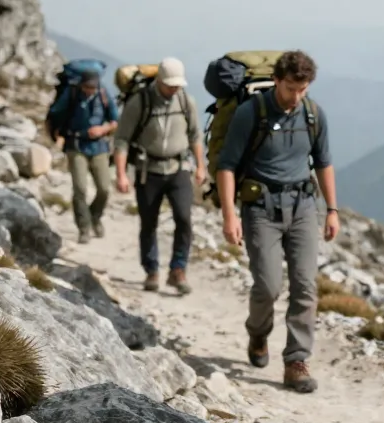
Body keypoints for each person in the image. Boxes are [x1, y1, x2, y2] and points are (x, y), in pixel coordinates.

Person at [215, 50, 338, 394]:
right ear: (277, 80)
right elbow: (226, 166)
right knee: (267, 285)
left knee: (305, 286)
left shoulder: (313, 115)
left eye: (303, 89)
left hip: (303, 208)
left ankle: (296, 361)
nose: (296, 96)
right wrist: (229, 215)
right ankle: (258, 333)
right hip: (261, 209)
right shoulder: (249, 113)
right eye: (290, 88)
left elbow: (324, 162)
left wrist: (332, 210)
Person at [113, 56, 206, 295]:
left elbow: (196, 135)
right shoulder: (139, 102)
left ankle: (178, 270)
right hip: (148, 172)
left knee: (184, 219)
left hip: (178, 170)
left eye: (177, 85)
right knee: (149, 222)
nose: (174, 89)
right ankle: (151, 270)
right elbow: (122, 139)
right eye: (170, 85)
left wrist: (200, 166)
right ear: (160, 81)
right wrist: (121, 174)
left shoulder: (186, 101)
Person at [48, 66, 118, 243]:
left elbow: (114, 121)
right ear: (81, 85)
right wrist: (56, 132)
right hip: (76, 145)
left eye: (92, 87)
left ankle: (95, 216)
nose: (90, 91)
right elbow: (56, 112)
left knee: (104, 188)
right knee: (80, 188)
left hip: (99, 147)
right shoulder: (71, 95)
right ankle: (84, 227)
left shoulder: (103, 94)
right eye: (87, 87)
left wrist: (102, 129)